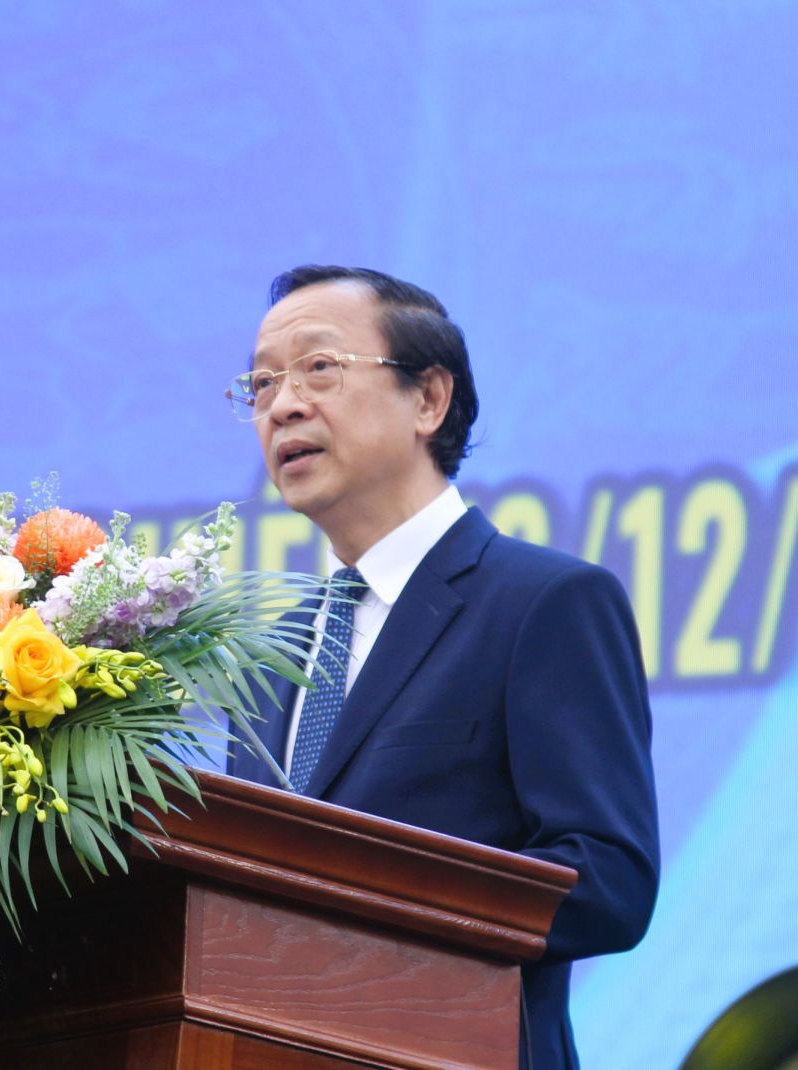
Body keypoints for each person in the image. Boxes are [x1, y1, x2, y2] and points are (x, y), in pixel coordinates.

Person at [225, 265, 660, 1069]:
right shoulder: (269, 655)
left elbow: (607, 881)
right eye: (261, 384)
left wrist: (358, 906)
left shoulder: (544, 603)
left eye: (318, 367)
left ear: (428, 398)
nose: (282, 405)